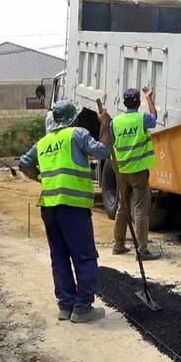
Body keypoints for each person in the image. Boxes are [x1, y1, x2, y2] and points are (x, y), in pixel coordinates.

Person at [18, 100, 112, 323]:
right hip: (73, 207)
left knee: (59, 257)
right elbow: (104, 151)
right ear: (73, 118)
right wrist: (105, 125)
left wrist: (40, 177)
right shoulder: (76, 134)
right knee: (85, 257)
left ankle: (65, 306)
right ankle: (82, 309)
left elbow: (24, 164)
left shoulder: (43, 142)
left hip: (50, 207)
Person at [110, 87, 161, 260]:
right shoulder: (142, 118)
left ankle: (118, 245)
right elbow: (154, 118)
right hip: (138, 170)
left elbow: (111, 141)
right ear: (138, 103)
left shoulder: (115, 122)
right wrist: (150, 99)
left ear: (124, 103)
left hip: (122, 170)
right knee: (140, 209)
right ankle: (142, 250)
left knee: (122, 206)